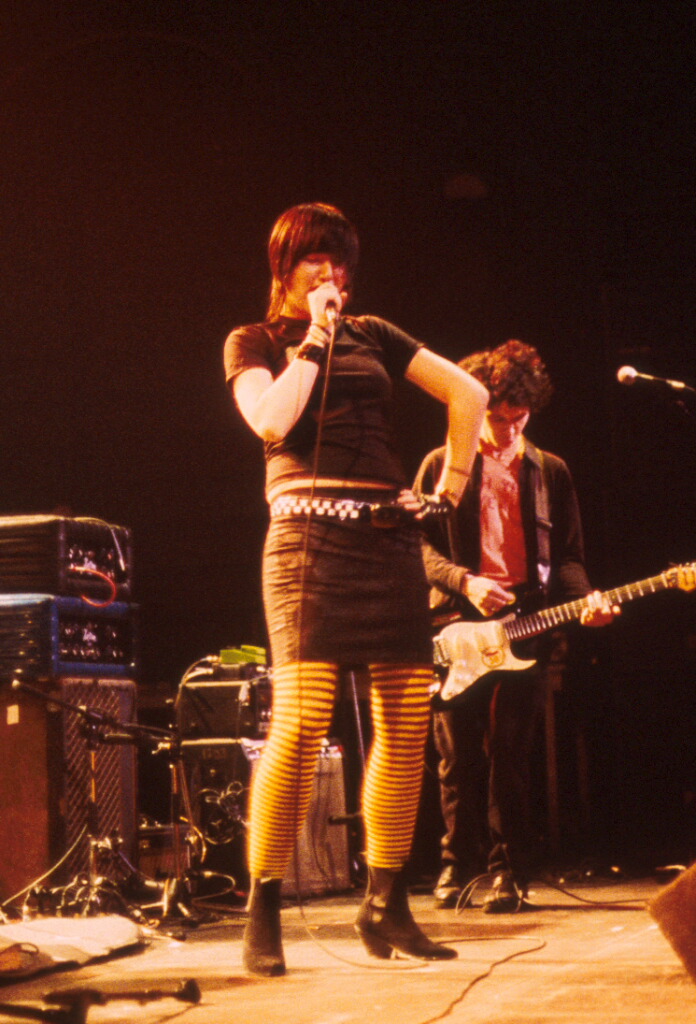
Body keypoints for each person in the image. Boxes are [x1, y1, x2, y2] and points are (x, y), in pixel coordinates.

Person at [223, 202, 488, 974]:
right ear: (284, 266)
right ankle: (263, 906)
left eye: (338, 259)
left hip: (387, 539)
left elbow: (467, 395)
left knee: (404, 725)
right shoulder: (253, 342)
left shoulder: (373, 332)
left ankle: (385, 903)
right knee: (302, 722)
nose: (329, 271)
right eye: (314, 257)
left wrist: (450, 489)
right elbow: (272, 422)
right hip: (305, 543)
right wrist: (314, 335)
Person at [413, 339, 617, 913]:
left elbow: (568, 557)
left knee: (511, 755)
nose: (505, 430)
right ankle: (457, 864)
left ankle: (510, 871)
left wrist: (586, 599)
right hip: (457, 623)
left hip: (527, 623)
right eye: (495, 418)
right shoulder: (441, 464)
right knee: (458, 757)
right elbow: (416, 548)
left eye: (517, 418)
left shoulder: (549, 471)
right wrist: (464, 581)